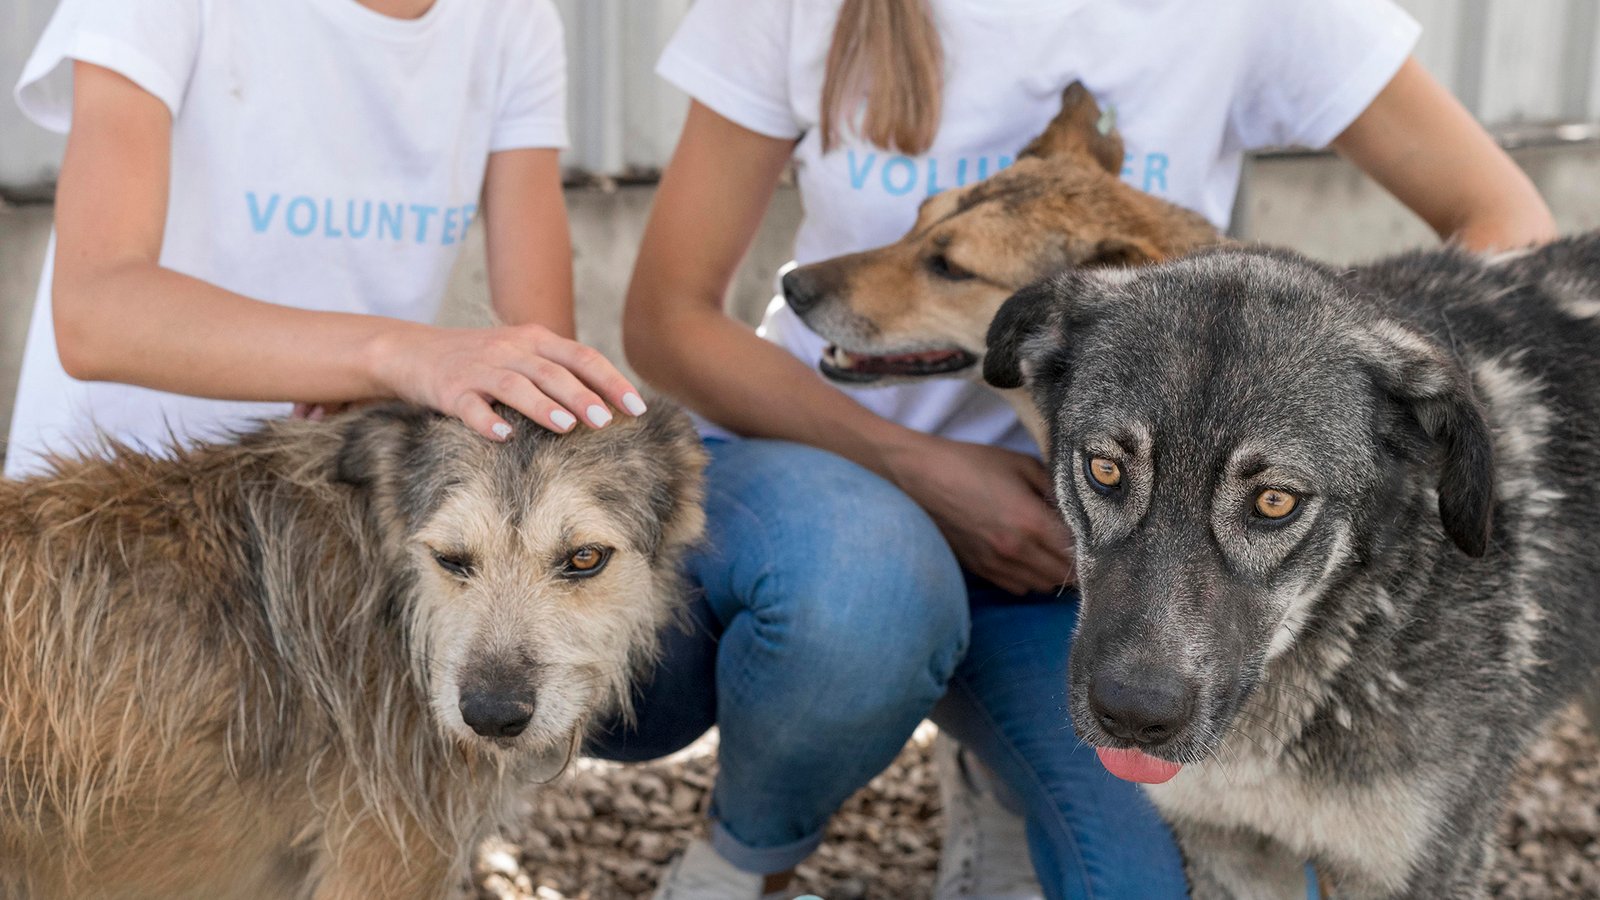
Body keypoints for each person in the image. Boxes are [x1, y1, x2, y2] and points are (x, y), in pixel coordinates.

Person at [592, 1, 1557, 899]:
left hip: (1086, 557)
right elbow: (666, 318)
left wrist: (1327, 377)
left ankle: (996, 765)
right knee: (861, 593)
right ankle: (745, 855)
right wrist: (922, 470)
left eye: (947, 265)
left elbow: (1510, 227)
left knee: (1159, 878)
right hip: (833, 505)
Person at [4, 0, 643, 482]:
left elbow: (536, 363)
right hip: (111, 523)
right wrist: (398, 357)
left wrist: (417, 377)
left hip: (332, 530)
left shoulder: (514, 19)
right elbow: (94, 313)